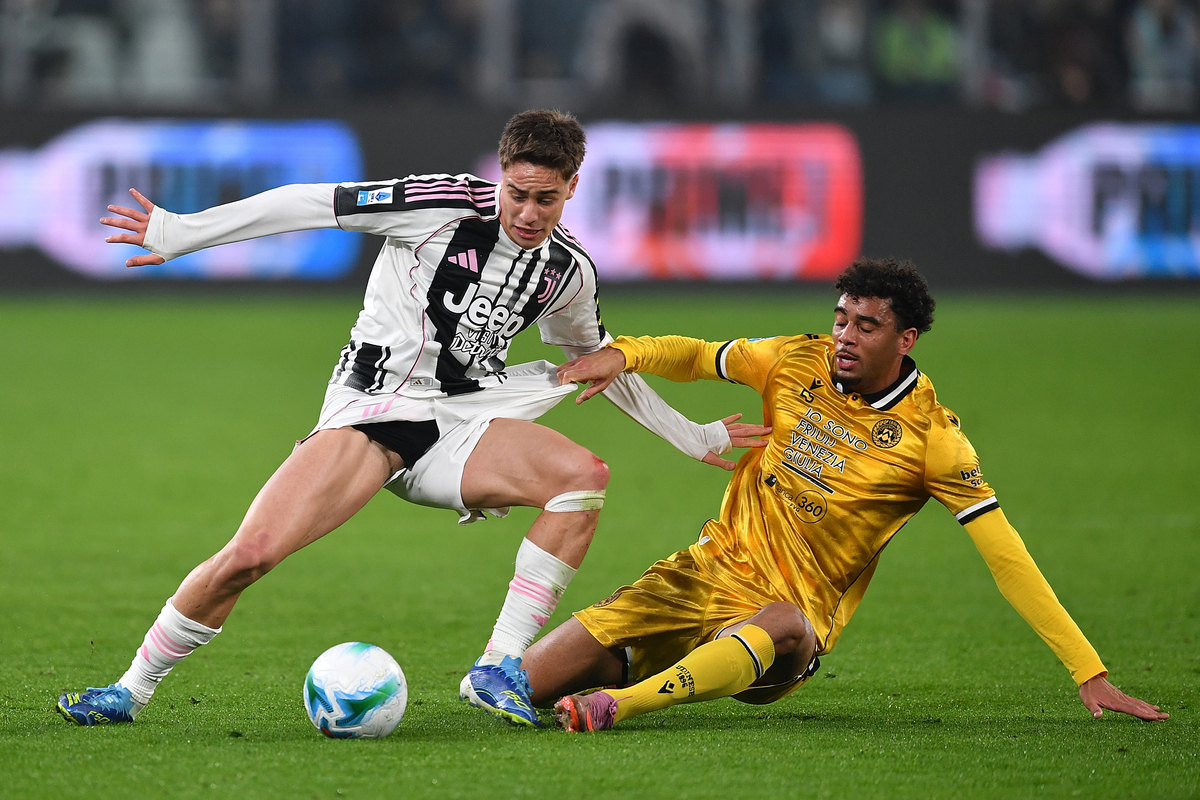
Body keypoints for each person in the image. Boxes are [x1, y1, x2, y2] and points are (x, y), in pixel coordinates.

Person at [56, 110, 767, 728]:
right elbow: (313, 202)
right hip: (377, 410)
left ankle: (498, 666)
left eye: (545, 199)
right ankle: (130, 687)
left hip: (468, 417)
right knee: (251, 556)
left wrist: (691, 433)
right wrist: (183, 232)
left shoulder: (567, 271)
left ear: (572, 188)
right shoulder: (438, 205)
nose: (527, 212)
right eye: (516, 193)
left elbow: (595, 360)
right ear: (499, 176)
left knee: (582, 478)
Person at [526, 257, 1169, 731]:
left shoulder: (932, 441)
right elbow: (697, 354)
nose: (845, 336)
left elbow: (1007, 558)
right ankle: (630, 667)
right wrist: (627, 354)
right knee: (523, 685)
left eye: (866, 326)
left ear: (905, 340)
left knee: (782, 621)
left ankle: (621, 703)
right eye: (841, 319)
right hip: (698, 575)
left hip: (790, 619)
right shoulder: (796, 361)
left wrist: (1090, 670)